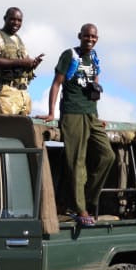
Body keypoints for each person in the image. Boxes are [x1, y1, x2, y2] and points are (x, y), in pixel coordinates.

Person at [47, 24, 115, 226]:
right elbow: (57, 83)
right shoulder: (69, 55)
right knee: (76, 161)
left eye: (93, 36)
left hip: (90, 114)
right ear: (80, 36)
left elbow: (95, 84)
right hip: (72, 112)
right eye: (86, 36)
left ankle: (83, 198)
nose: (90, 39)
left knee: (107, 156)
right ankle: (80, 208)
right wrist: (52, 112)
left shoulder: (94, 58)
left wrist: (96, 114)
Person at [0, 7, 44, 115]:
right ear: (5, 18)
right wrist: (20, 62)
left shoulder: (18, 40)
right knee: (7, 128)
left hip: (23, 93)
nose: (16, 23)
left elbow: (23, 64)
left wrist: (32, 64)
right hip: (6, 92)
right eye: (12, 19)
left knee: (21, 130)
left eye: (19, 20)